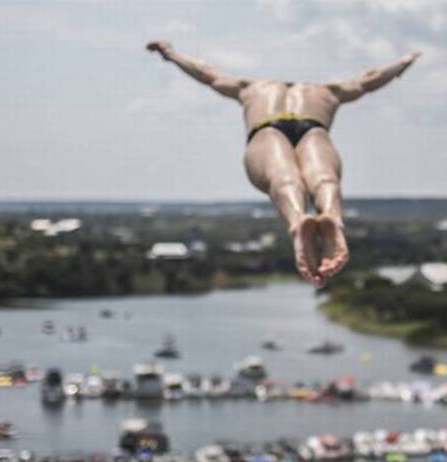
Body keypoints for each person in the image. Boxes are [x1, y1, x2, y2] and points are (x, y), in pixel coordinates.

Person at [147, 41, 420, 287]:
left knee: (283, 178)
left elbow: (207, 73)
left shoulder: (252, 87)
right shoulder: (325, 91)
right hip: (314, 126)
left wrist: (171, 54)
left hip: (266, 127)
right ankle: (333, 217)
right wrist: (403, 62)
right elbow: (368, 80)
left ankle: (297, 220)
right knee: (325, 178)